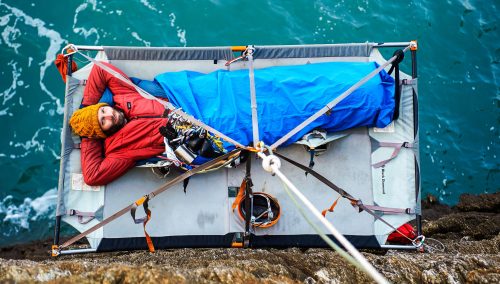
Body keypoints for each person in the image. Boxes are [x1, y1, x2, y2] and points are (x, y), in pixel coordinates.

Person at [69, 62, 169, 186]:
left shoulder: (121, 93)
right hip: (187, 131)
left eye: (103, 110)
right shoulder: (119, 151)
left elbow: (100, 68)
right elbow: (92, 176)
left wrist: (87, 107)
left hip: (181, 98)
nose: (109, 115)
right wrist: (90, 138)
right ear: (102, 132)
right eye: (103, 121)